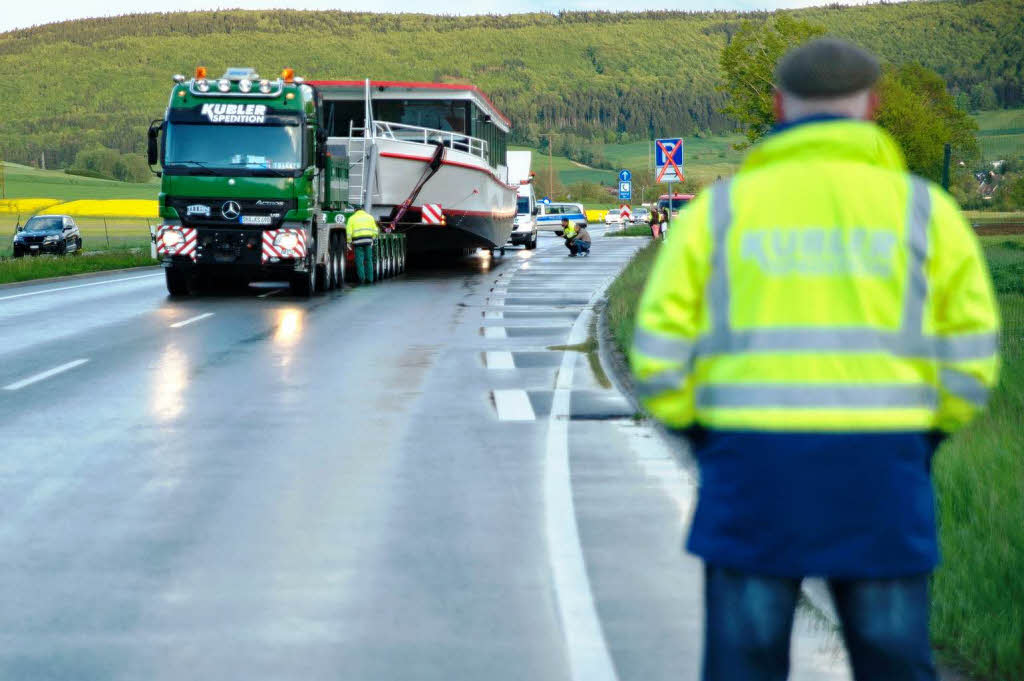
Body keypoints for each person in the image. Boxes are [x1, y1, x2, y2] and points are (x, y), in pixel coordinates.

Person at [630, 39, 1000, 681]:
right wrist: (928, 433)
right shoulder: (924, 212)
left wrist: (700, 433)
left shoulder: (719, 212)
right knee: (893, 658)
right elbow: (971, 347)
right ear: (875, 107)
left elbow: (660, 350)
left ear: (778, 105)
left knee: (744, 660)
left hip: (751, 466)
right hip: (883, 466)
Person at [346, 209, 379, 284]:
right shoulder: (370, 217)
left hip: (357, 242)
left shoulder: (352, 218)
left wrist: (349, 241)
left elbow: (349, 231)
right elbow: (375, 230)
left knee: (359, 261)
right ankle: (370, 278)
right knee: (368, 260)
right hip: (368, 241)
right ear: (363, 211)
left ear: (355, 211)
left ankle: (362, 278)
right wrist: (373, 238)